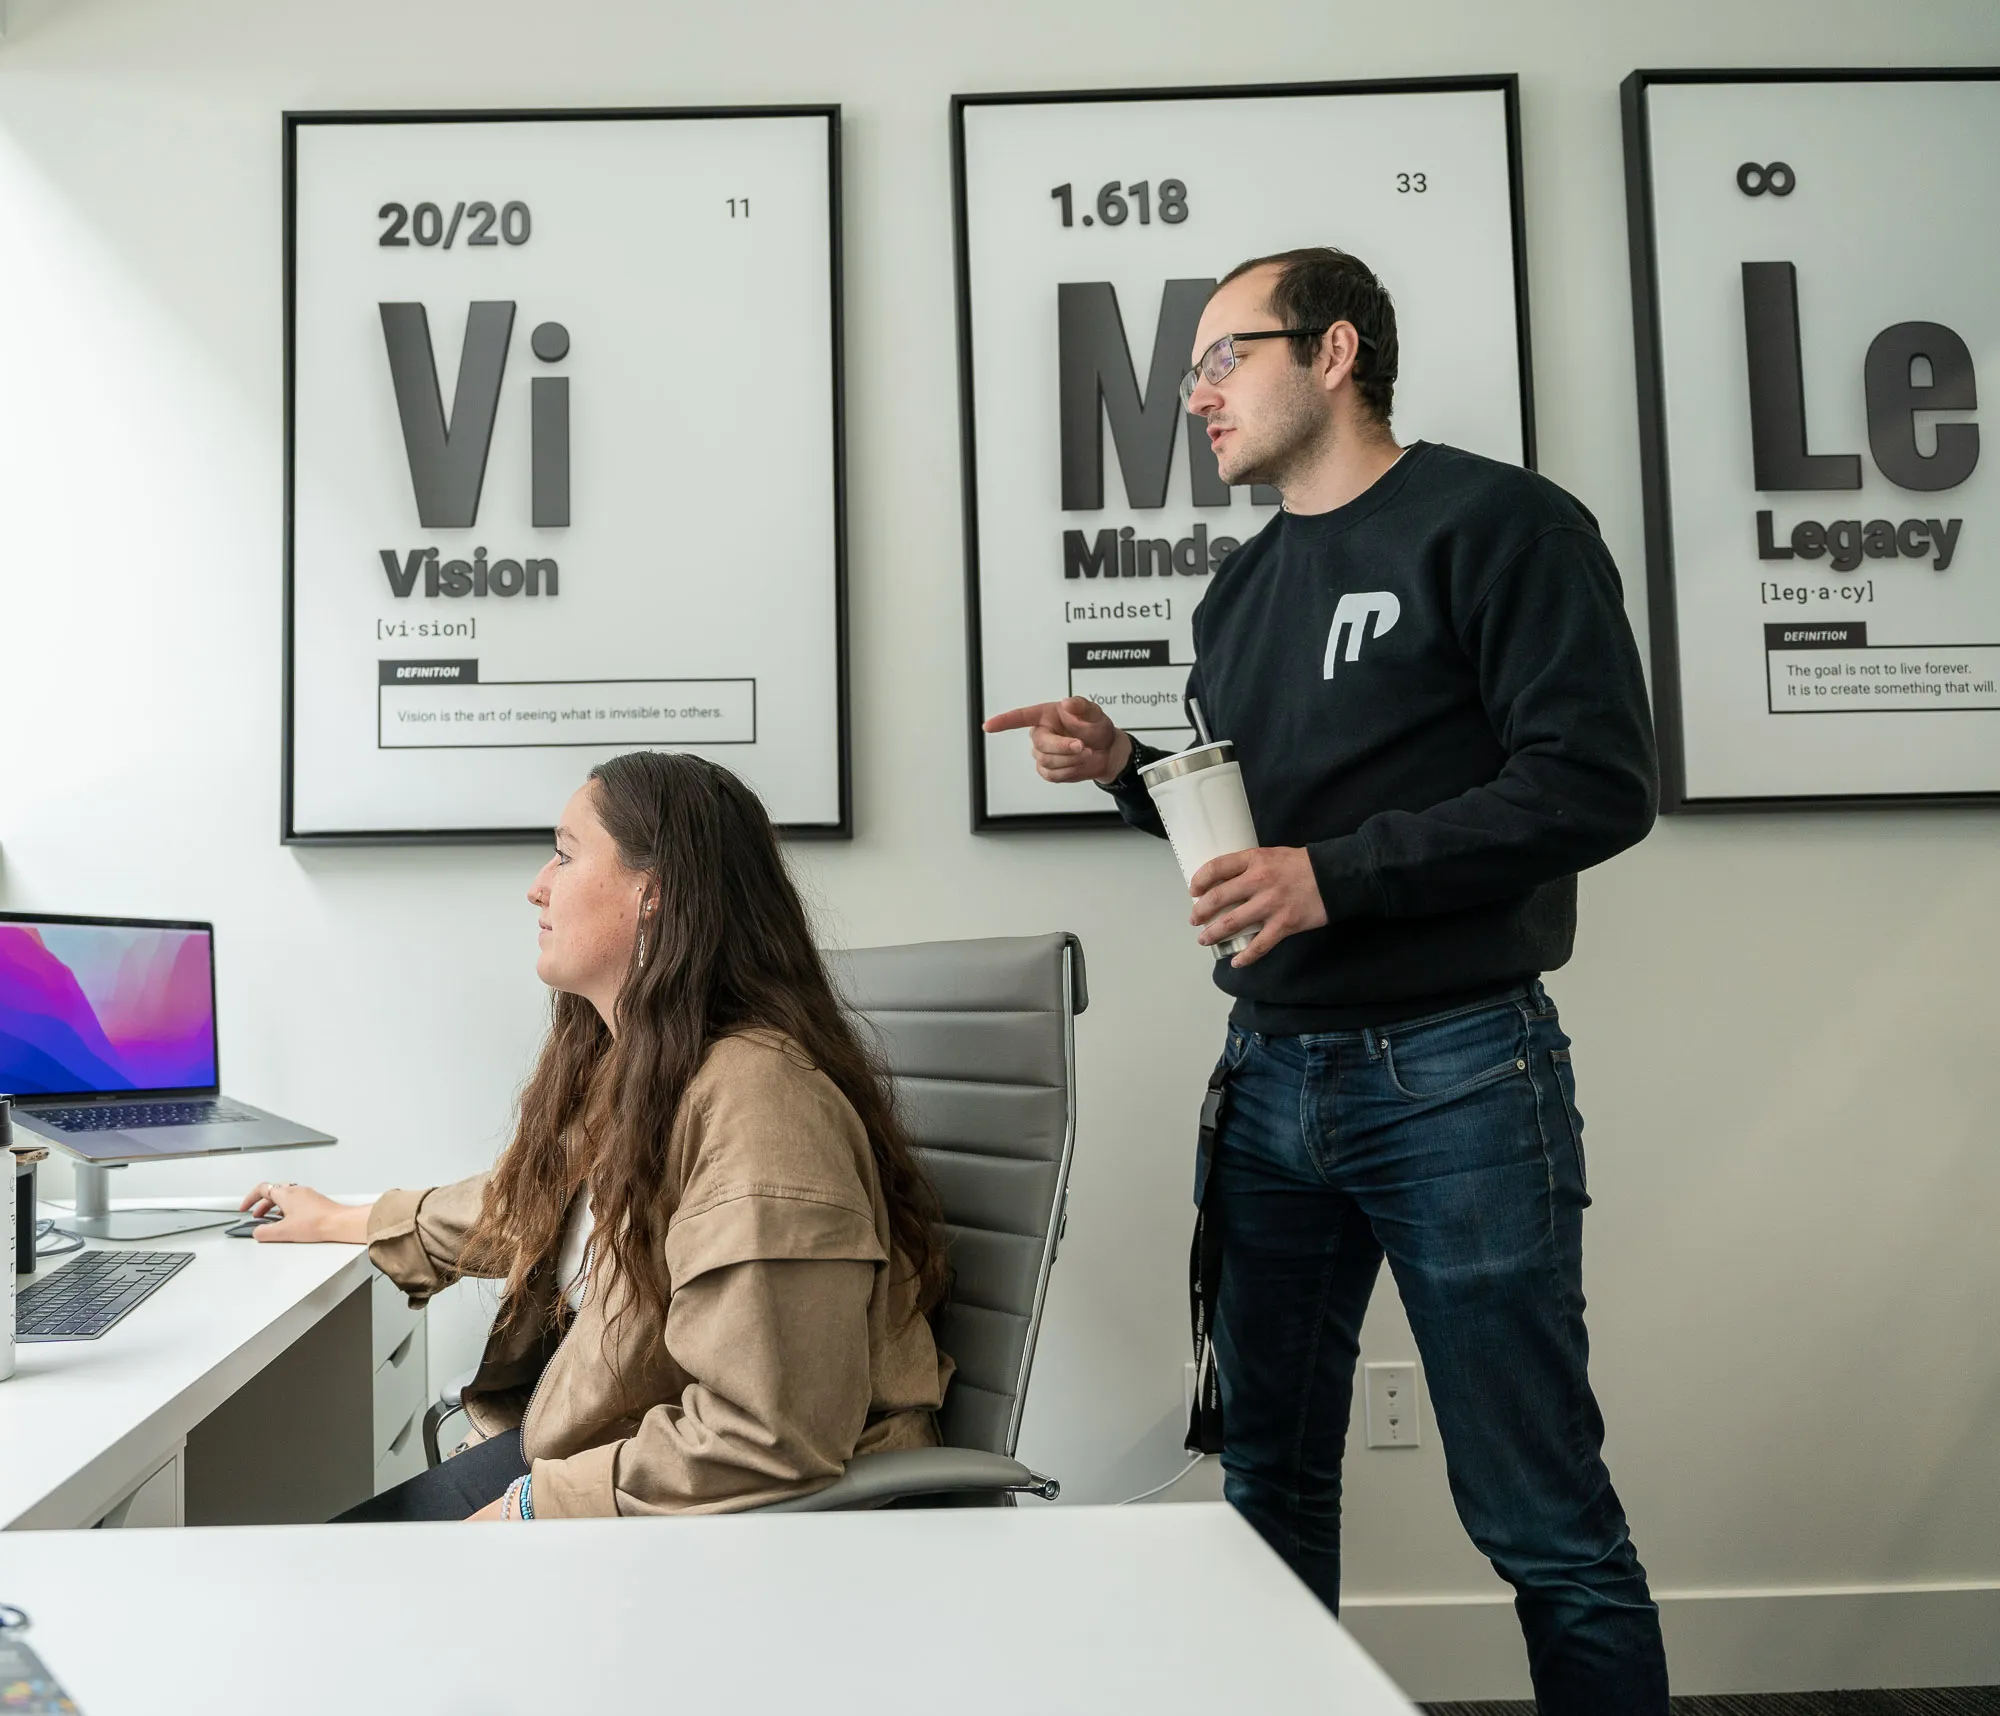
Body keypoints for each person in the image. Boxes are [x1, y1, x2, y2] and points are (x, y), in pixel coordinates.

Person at [985, 248, 1668, 1712]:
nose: (1196, 394)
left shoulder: (1502, 525)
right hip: (1272, 1086)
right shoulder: (1236, 595)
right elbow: (1260, 828)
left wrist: (1331, 877)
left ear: (1336, 349)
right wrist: (1127, 773)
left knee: (1542, 1521)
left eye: (1226, 357)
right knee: (1266, 1491)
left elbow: (1598, 785)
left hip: (1462, 1075)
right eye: (1193, 372)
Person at [244, 750, 952, 1522]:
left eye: (565, 854)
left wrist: (534, 1507)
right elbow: (534, 1208)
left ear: (655, 893)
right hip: (627, 1455)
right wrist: (347, 1220)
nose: (537, 886)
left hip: (736, 1511)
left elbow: (770, 1435)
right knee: (326, 1563)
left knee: (331, 1582)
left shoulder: (760, 1104)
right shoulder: (649, 1069)